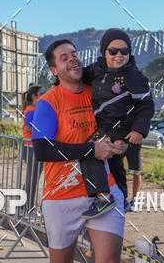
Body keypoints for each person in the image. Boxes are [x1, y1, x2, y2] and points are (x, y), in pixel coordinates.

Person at [32, 39, 126, 263]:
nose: (72, 59)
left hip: (105, 193)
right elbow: (42, 150)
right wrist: (91, 150)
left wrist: (122, 143)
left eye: (74, 54)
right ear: (54, 70)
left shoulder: (98, 93)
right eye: (64, 58)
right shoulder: (47, 102)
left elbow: (119, 124)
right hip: (62, 197)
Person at [79, 28, 154, 218]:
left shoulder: (135, 77)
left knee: (93, 154)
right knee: (110, 164)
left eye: (124, 51)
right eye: (113, 51)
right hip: (102, 126)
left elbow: (146, 105)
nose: (119, 55)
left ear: (130, 53)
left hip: (123, 128)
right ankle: (117, 199)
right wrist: (58, 81)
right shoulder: (96, 69)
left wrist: (139, 130)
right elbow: (77, 77)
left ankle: (107, 198)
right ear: (104, 52)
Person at [21, 85, 44, 213]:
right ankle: (28, 207)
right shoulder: (31, 110)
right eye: (41, 94)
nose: (43, 96)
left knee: (32, 178)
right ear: (34, 96)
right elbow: (28, 128)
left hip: (32, 147)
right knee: (32, 179)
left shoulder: (33, 109)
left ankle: (24, 205)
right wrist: (43, 130)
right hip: (31, 147)